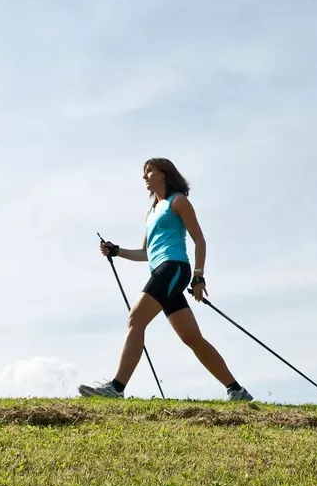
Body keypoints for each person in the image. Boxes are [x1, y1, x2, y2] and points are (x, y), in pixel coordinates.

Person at [78, 158, 253, 402]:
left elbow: (199, 240)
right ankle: (237, 390)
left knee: (136, 319)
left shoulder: (178, 201)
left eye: (149, 171)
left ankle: (116, 388)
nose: (144, 176)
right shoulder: (151, 213)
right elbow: (146, 253)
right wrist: (116, 251)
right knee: (191, 338)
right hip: (161, 270)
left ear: (164, 174)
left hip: (174, 268)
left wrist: (199, 276)